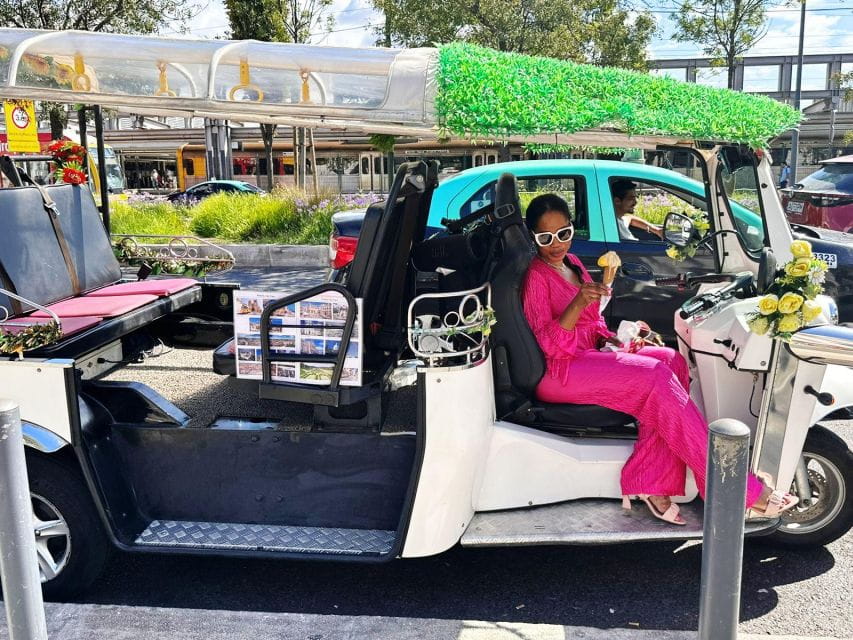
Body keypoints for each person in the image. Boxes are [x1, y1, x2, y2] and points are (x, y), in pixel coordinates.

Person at [521, 193, 797, 524]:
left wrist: (622, 337)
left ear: (571, 229)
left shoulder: (573, 264)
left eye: (563, 234)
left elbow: (593, 324)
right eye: (545, 238)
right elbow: (549, 346)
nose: (556, 244)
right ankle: (733, 488)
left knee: (671, 360)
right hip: (560, 371)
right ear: (533, 237)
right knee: (654, 375)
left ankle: (651, 481)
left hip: (587, 356)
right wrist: (578, 303)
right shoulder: (536, 277)